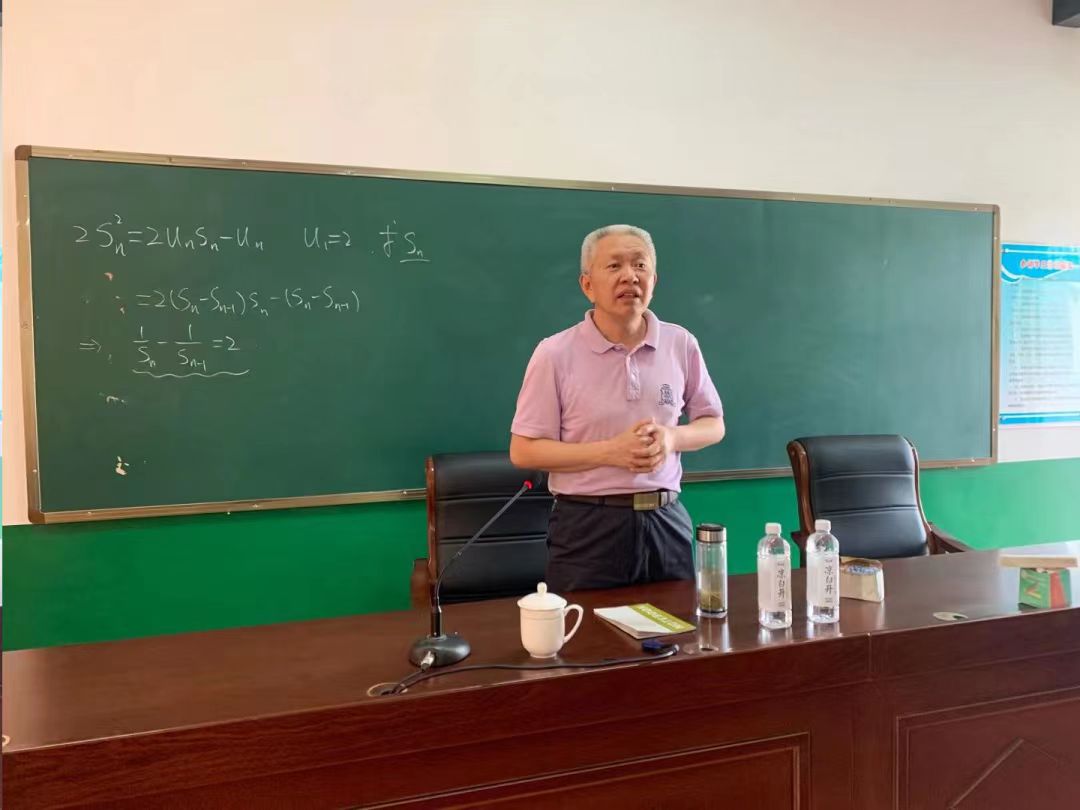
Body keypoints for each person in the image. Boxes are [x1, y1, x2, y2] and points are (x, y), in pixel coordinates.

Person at [510, 224, 726, 592]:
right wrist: (611, 452)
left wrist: (672, 438)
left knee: (677, 627)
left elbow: (713, 423)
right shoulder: (554, 353)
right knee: (587, 629)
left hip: (665, 519)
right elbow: (524, 450)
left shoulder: (680, 343)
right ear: (587, 285)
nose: (630, 276)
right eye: (614, 266)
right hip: (587, 525)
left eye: (640, 265)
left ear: (654, 280)